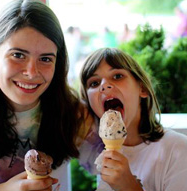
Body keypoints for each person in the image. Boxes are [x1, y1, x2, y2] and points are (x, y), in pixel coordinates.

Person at [0, 0, 92, 190]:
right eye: (18, 55)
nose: (32, 72)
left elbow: (126, 161)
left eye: (46, 59)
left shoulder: (73, 112)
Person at [79, 47, 187, 191]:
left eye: (117, 76)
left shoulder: (178, 149)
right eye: (94, 83)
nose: (104, 85)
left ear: (142, 88)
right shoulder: (102, 155)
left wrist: (129, 187)